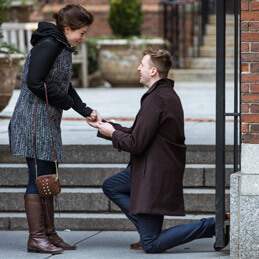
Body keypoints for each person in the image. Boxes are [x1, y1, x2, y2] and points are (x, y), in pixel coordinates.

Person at [88, 48, 228, 253]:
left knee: (152, 245)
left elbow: (136, 143)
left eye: (142, 65)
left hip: (153, 174)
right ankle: (148, 231)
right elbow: (140, 133)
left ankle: (213, 225)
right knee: (113, 186)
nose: (138, 68)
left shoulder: (157, 99)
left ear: (153, 71)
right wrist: (105, 126)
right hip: (150, 168)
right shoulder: (161, 95)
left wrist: (112, 134)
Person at [8, 4, 96, 254]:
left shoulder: (62, 46)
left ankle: (49, 234)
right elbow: (34, 82)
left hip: (46, 120)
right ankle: (36, 237)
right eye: (82, 32)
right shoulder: (49, 45)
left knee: (48, 177)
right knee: (39, 177)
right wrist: (69, 104)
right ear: (67, 28)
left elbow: (63, 85)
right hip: (32, 120)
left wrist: (85, 110)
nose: (83, 37)